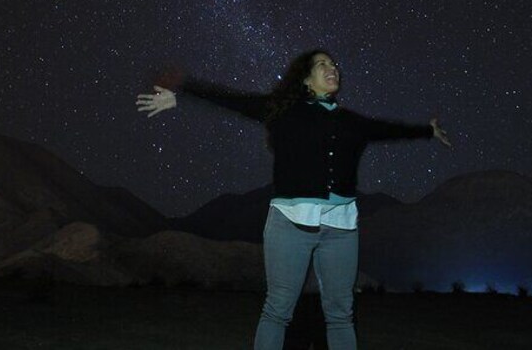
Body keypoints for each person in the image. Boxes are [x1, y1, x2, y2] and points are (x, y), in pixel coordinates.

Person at [136, 50, 451, 350]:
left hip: (341, 228)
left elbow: (388, 129)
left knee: (341, 313)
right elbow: (235, 100)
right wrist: (182, 93)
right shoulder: (282, 111)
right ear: (305, 79)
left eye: (335, 65)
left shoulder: (351, 121)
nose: (333, 68)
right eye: (322, 64)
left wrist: (427, 130)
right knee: (278, 309)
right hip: (290, 224)